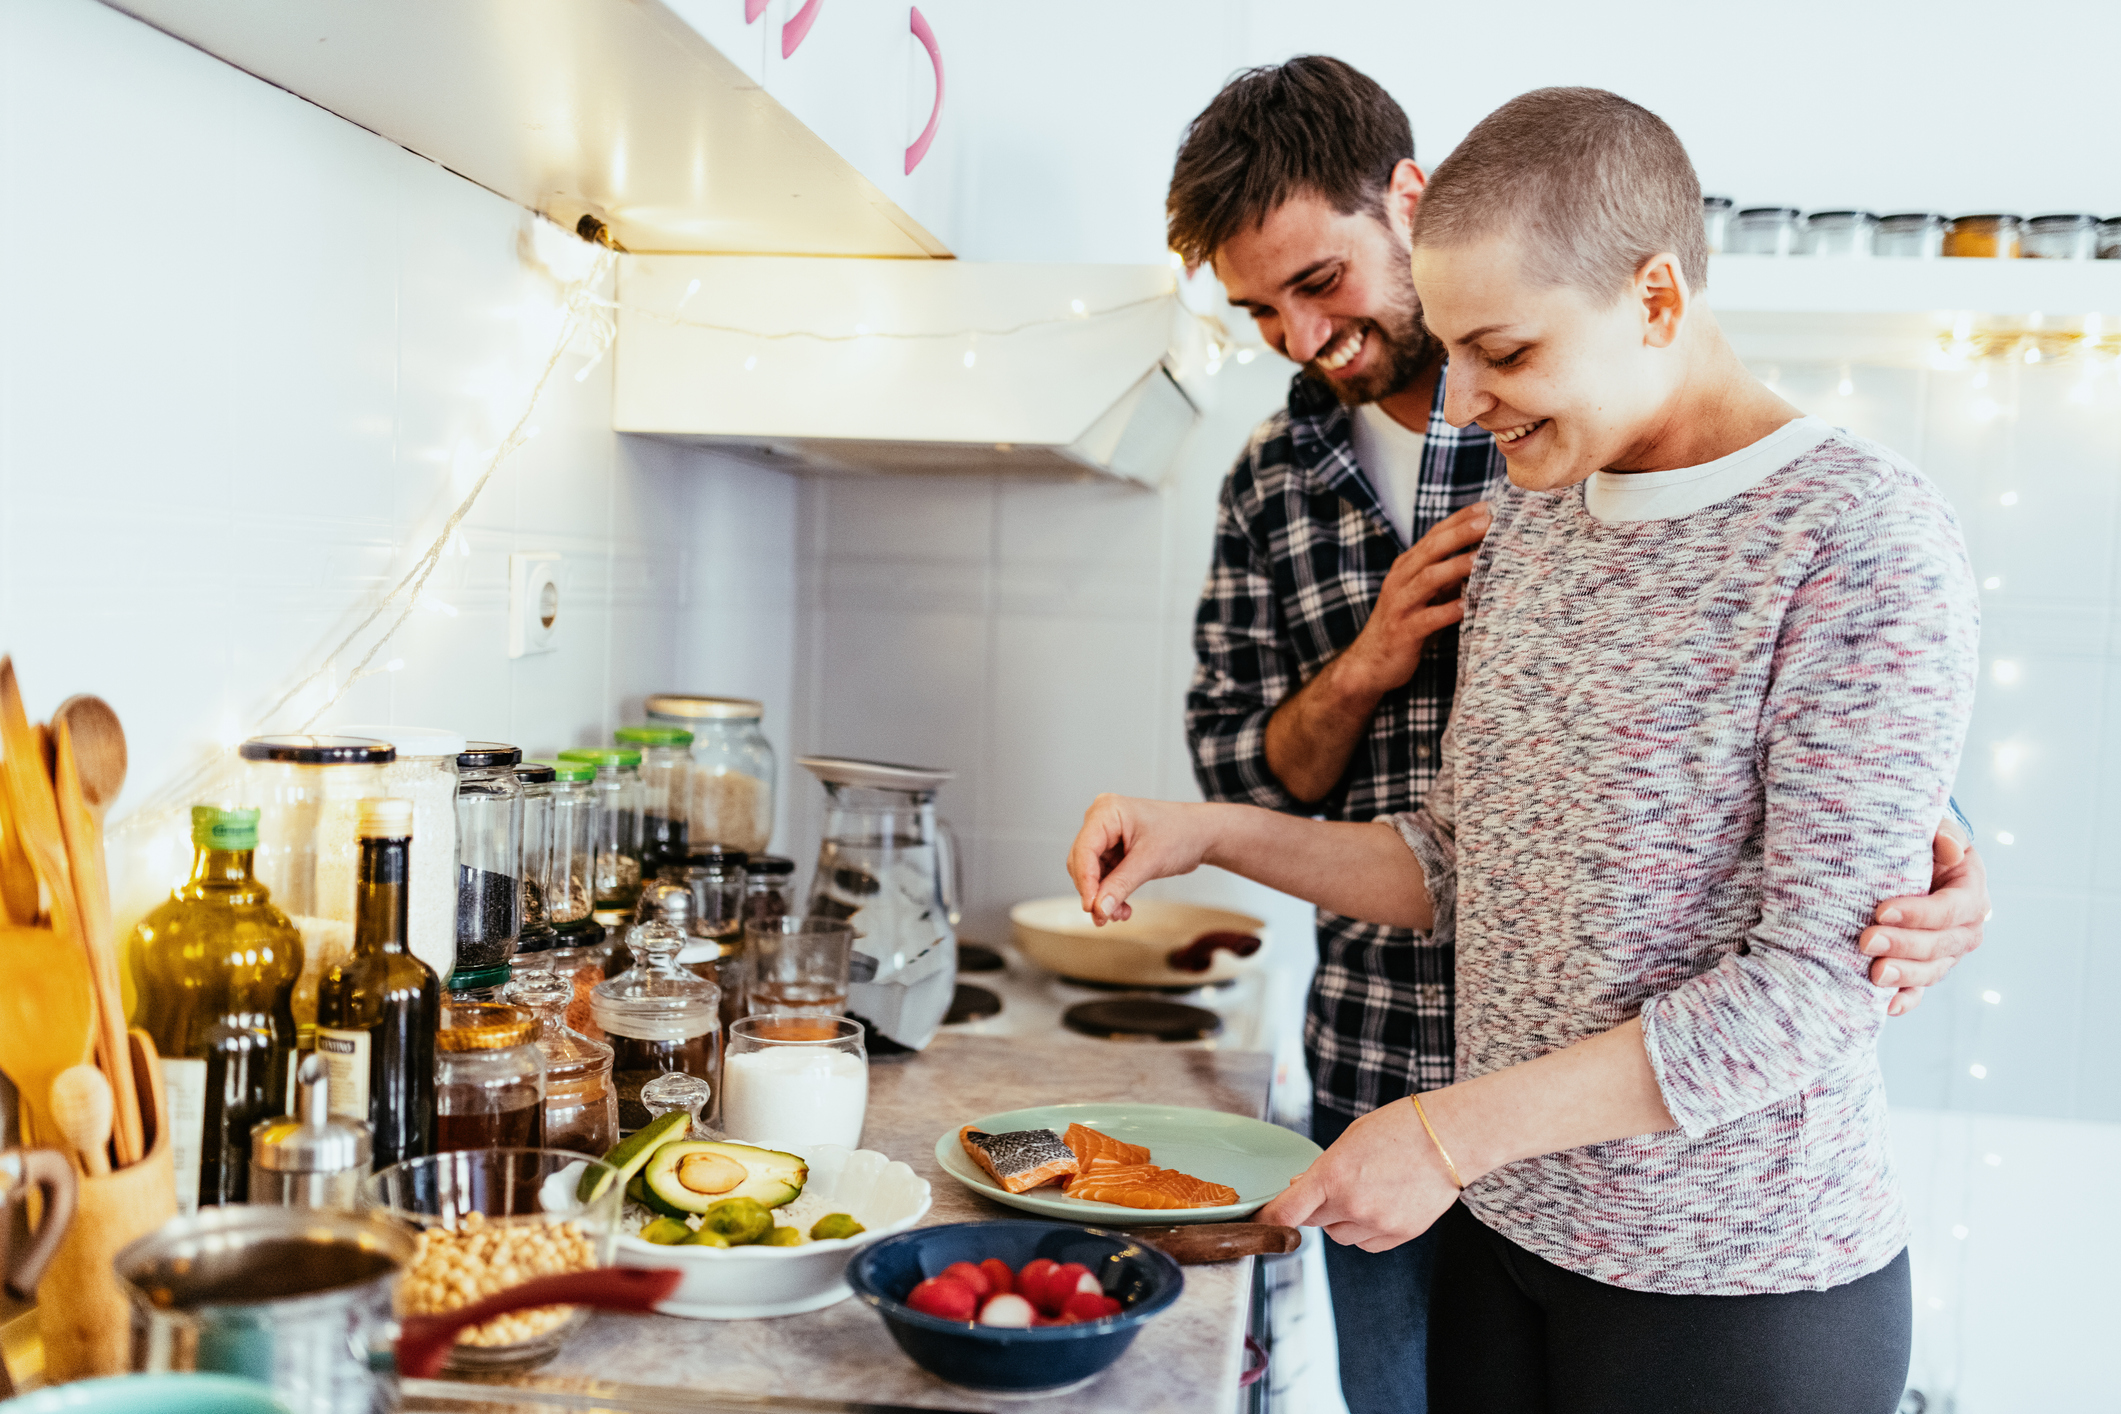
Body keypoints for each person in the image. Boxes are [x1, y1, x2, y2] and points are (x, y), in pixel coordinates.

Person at [1091, 86, 1981, 1412]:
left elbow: (1812, 981)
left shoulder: (1857, 538)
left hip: (1729, 1275)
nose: (1459, 398)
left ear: (1656, 302)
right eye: (1450, 349)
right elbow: (1453, 858)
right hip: (1510, 1238)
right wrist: (1207, 828)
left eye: (1496, 351)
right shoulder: (1531, 519)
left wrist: (1444, 1130)